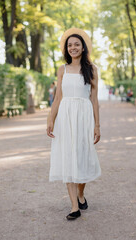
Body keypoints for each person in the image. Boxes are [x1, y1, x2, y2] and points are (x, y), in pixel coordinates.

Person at [46, 28, 101, 220]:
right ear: (66, 49)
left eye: (76, 44)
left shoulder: (92, 69)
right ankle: (73, 206)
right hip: (65, 118)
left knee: (82, 158)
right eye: (69, 45)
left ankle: (81, 193)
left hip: (84, 117)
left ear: (83, 47)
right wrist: (50, 119)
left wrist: (97, 126)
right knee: (68, 157)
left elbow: (94, 100)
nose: (73, 48)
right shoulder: (62, 69)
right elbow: (58, 98)